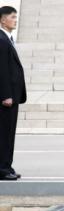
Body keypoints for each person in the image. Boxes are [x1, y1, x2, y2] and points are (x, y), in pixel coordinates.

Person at [0, 6, 25, 181]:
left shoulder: (6, 39)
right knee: (4, 133)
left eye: (16, 17)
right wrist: (5, 95)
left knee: (9, 133)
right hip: (6, 98)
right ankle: (2, 168)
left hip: (13, 96)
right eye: (12, 17)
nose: (15, 19)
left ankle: (7, 166)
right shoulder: (1, 40)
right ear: (2, 20)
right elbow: (2, 70)